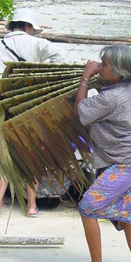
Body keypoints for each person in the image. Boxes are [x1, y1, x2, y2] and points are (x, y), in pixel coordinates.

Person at [71, 44, 131, 262]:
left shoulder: (112, 97)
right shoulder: (126, 87)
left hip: (124, 163)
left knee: (87, 206)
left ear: (117, 71)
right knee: (127, 218)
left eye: (104, 64)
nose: (100, 66)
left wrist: (86, 75)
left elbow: (80, 112)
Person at [0, 8, 65, 216]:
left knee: (3, 156)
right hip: (27, 104)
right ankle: (31, 206)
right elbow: (60, 57)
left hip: (2, 105)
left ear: (13, 25)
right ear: (28, 26)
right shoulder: (36, 44)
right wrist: (41, 77)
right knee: (31, 154)